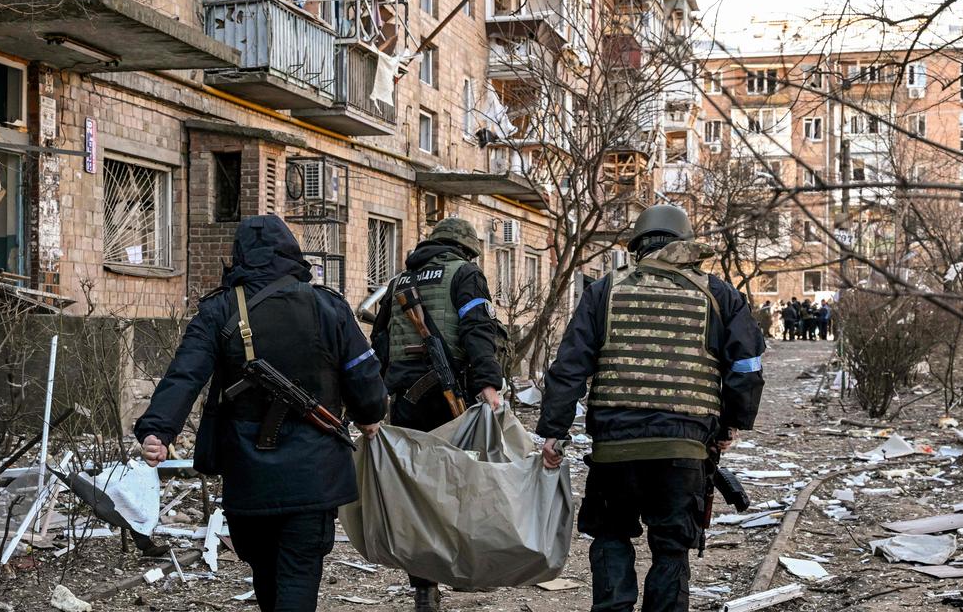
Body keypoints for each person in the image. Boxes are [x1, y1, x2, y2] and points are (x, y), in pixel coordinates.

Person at [135, 215, 388, 612]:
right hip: (314, 472)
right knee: (299, 573)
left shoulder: (219, 310)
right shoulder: (328, 306)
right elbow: (363, 375)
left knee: (266, 572)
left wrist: (158, 430)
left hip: (248, 471)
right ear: (292, 252)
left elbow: (185, 374)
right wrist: (371, 415)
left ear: (239, 257)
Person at [536, 204, 766, 612]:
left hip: (614, 449)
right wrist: (731, 424)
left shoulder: (604, 290)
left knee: (610, 537)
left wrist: (554, 432)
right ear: (685, 243)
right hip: (684, 449)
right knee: (671, 549)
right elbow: (746, 367)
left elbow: (569, 366)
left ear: (637, 246)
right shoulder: (719, 294)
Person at [369, 217, 505, 612]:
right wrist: (489, 385)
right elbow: (479, 329)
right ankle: (459, 565)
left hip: (405, 402)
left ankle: (423, 584)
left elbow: (380, 342)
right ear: (465, 248)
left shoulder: (399, 282)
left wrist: (372, 401)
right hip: (451, 399)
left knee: (418, 492)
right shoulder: (466, 274)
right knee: (462, 483)